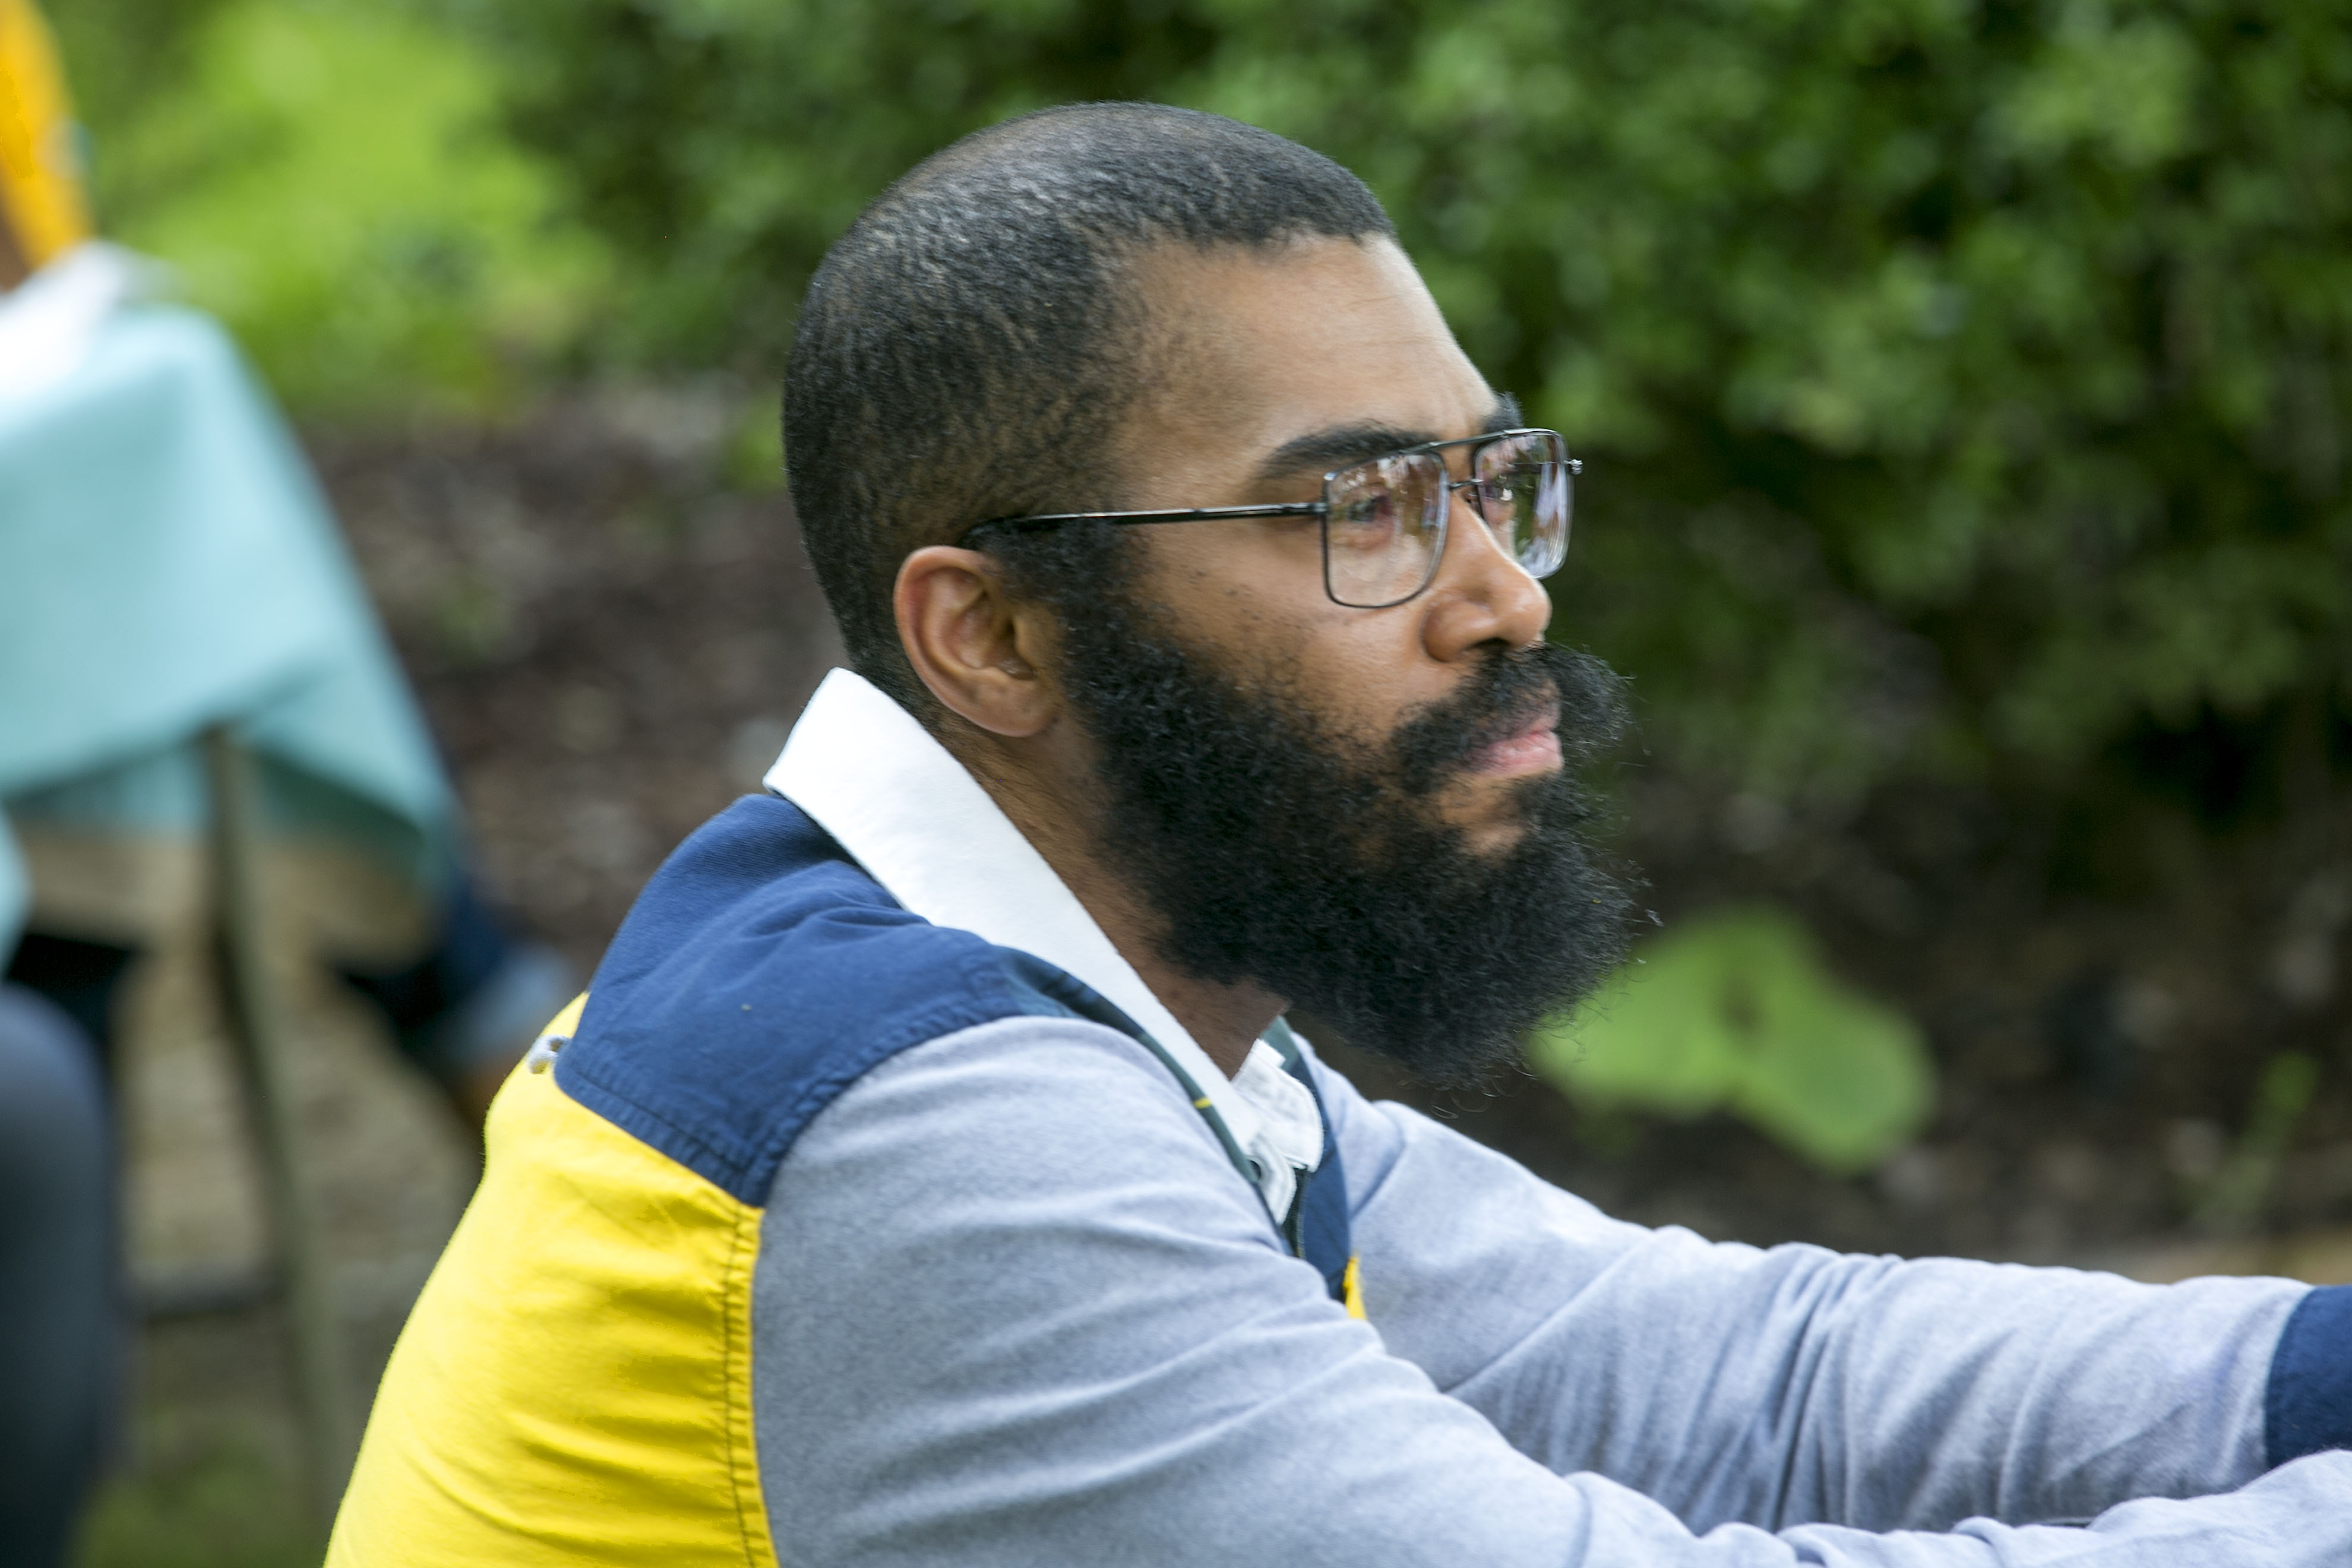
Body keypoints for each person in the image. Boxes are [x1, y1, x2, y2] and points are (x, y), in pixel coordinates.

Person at [328, 104, 2352, 1564]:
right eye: (1361, 511)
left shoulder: (1067, 1000)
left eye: (1492, 484)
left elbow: (1734, 1381)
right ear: (995, 636)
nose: (1505, 597)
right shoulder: (923, 1138)